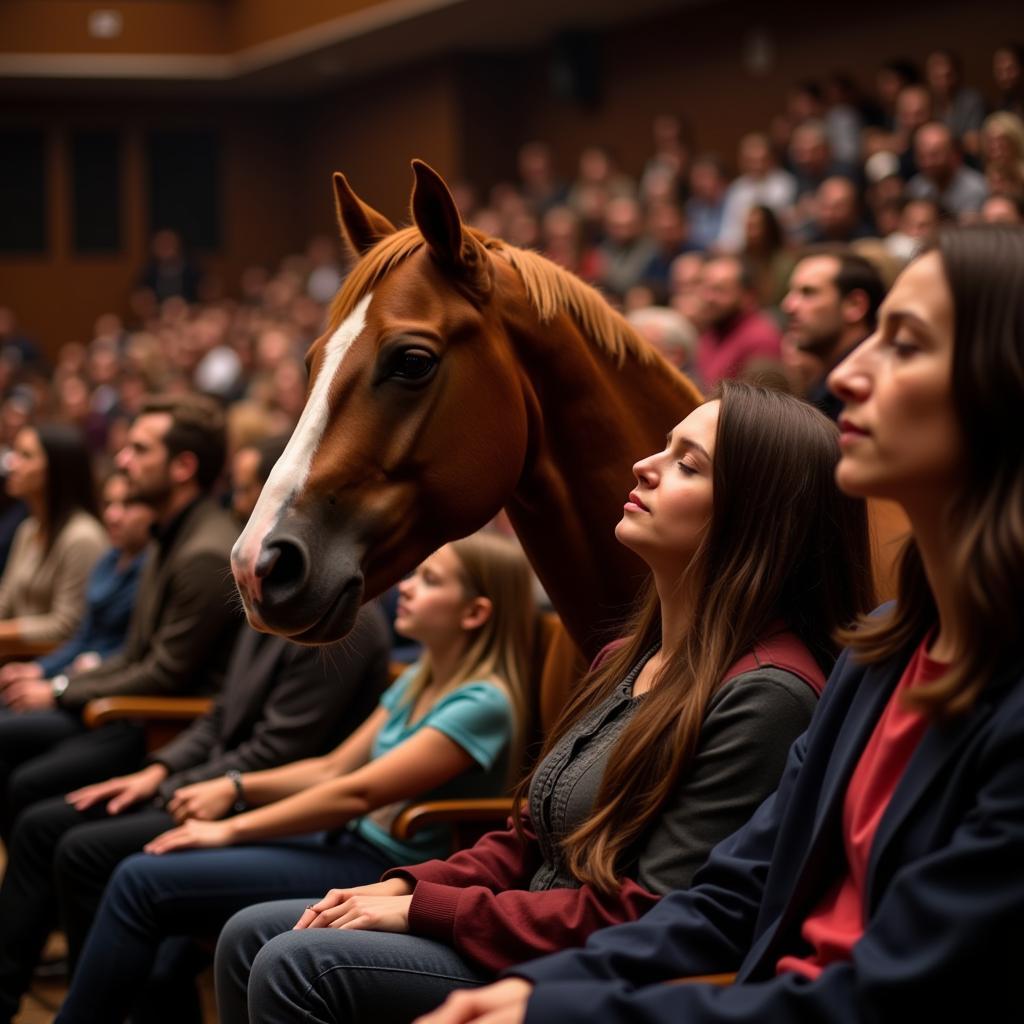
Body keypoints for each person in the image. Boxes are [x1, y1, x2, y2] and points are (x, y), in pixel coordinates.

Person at [417, 224, 1024, 1024]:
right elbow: (731, 896)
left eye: (904, 345)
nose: (845, 374)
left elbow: (895, 990)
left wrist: (569, 1011)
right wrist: (544, 993)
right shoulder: (881, 648)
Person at [215, 380, 876, 1024]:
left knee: (299, 963)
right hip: (522, 926)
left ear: (754, 516)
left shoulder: (767, 696)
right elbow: (526, 841)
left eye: (687, 465)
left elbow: (649, 915)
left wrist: (429, 912)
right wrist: (411, 886)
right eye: (663, 447)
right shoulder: (627, 656)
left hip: (585, 969)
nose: (645, 467)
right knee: (249, 934)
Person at [51, 532, 535, 1024]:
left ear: (475, 613)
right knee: (162, 893)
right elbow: (332, 767)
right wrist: (234, 787)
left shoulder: (483, 703)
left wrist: (231, 827)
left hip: (384, 868)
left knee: (142, 881)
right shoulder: (422, 678)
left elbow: (357, 791)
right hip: (345, 842)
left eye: (429, 580)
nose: (405, 587)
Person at [0, 437, 391, 1024]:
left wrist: (182, 786)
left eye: (245, 495)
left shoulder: (339, 620)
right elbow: (219, 715)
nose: (237, 511)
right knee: (56, 825)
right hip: (221, 778)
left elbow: (280, 752)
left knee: (80, 847)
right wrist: (159, 772)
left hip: (274, 802)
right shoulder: (274, 595)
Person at [0, 394, 240, 838]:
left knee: (30, 792)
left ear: (182, 467)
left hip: (163, 729)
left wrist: (61, 688)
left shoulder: (203, 553)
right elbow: (133, 655)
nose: (123, 460)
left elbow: (164, 675)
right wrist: (60, 684)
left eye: (140, 450)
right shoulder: (169, 535)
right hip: (131, 713)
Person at [0, 469, 151, 699]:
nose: (113, 515)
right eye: (108, 503)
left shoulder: (146, 566)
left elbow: (125, 655)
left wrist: (58, 686)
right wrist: (39, 669)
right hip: (72, 679)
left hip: (100, 696)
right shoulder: (109, 560)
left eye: (128, 504)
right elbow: (83, 636)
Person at [0, 423, 106, 661]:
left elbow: (67, 627)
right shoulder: (28, 529)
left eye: (25, 456)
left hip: (50, 668)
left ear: (57, 468)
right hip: (15, 660)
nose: (11, 464)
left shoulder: (83, 537)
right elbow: (5, 599)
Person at [781, 249, 886, 419]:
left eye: (808, 292)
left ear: (855, 305)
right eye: (791, 292)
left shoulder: (867, 391)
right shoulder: (826, 385)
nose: (788, 305)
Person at [694, 256, 782, 387]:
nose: (708, 297)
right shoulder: (713, 329)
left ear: (748, 296)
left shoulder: (761, 339)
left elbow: (760, 403)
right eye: (705, 288)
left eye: (719, 290)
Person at [907, 122, 988, 218]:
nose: (928, 163)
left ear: (952, 154)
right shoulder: (916, 188)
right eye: (922, 156)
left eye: (934, 155)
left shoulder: (975, 189)